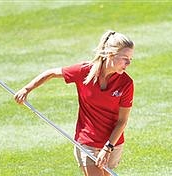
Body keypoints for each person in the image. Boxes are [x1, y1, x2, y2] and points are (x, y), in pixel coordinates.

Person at [14, 30, 135, 176]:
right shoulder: (83, 71)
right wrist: (27, 89)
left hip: (112, 143)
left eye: (130, 59)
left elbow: (122, 121)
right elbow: (51, 73)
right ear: (110, 54)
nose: (128, 63)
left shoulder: (126, 83)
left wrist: (107, 148)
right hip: (87, 141)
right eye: (125, 58)